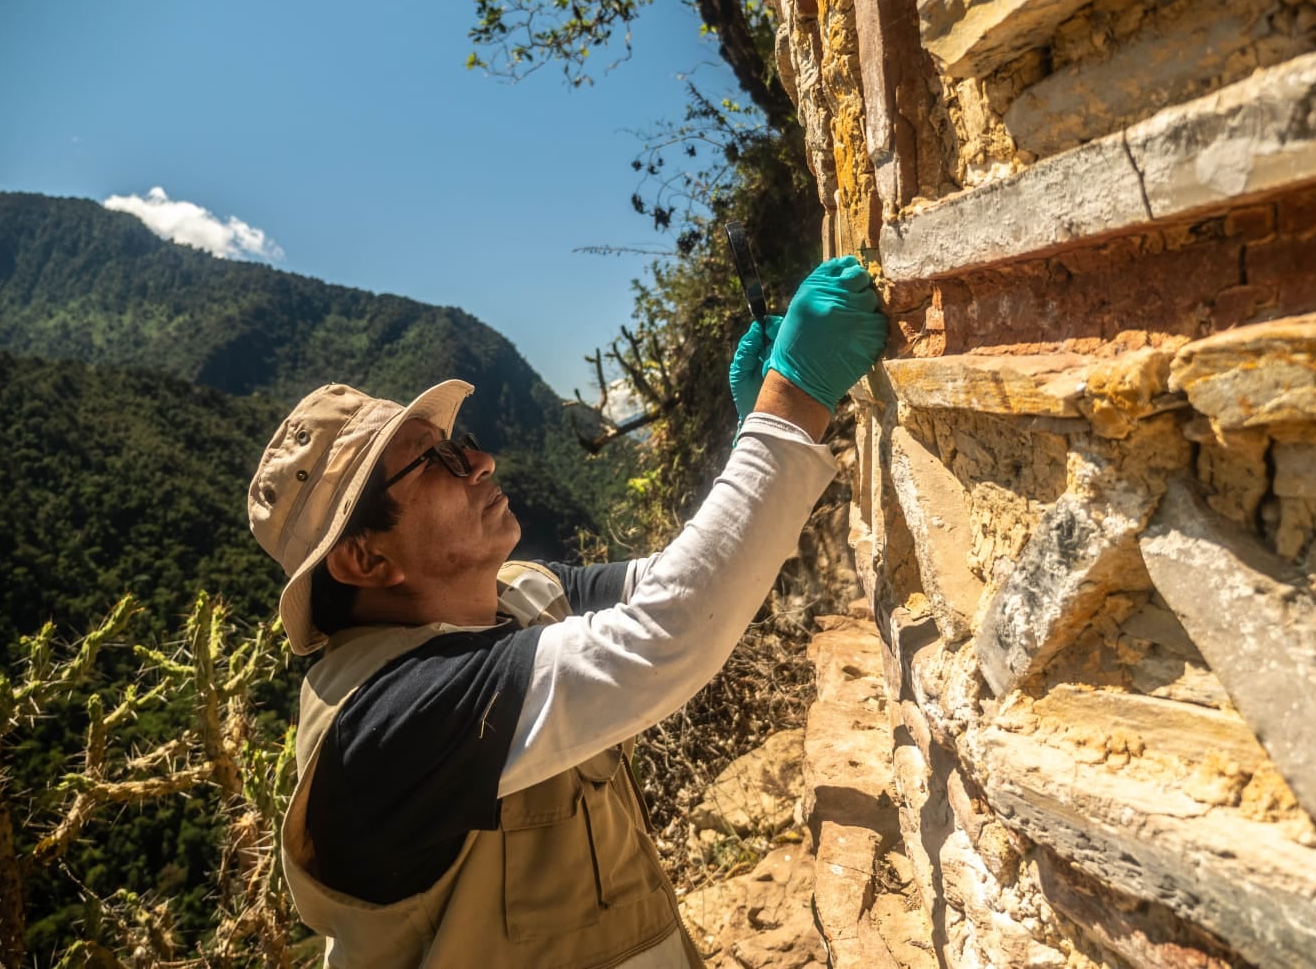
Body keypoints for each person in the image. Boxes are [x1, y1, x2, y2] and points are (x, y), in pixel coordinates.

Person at [246, 255, 887, 967]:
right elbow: (668, 633)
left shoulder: (515, 597)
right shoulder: (389, 723)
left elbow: (677, 586)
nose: (481, 460)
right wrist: (792, 402)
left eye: (459, 443)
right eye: (439, 461)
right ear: (364, 561)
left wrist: (752, 432)